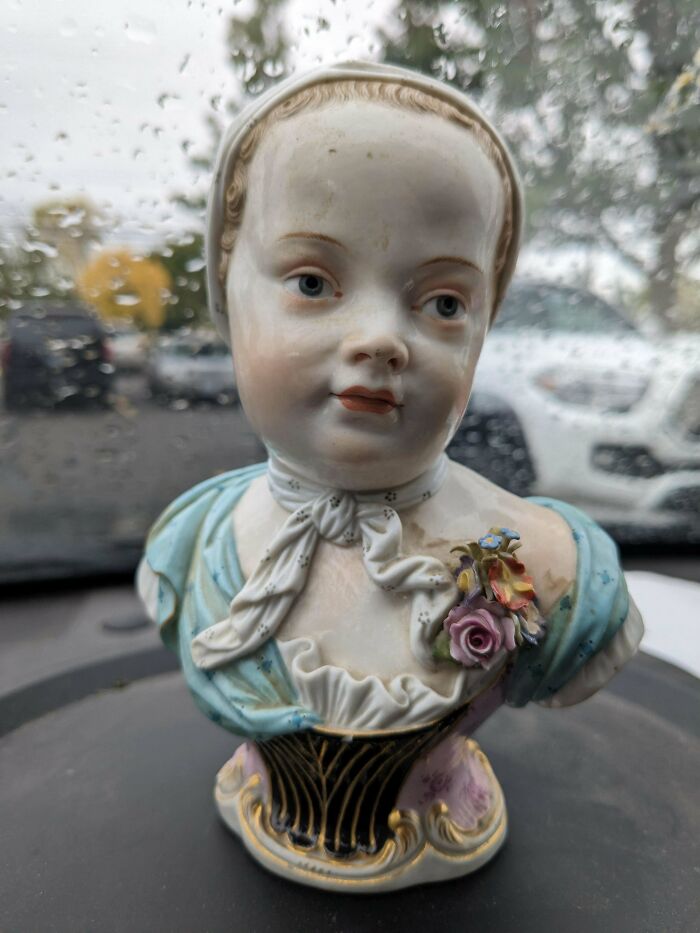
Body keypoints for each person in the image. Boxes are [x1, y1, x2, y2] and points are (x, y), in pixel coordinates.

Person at [137, 60, 643, 740]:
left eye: (443, 301)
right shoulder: (190, 545)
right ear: (230, 290)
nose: (379, 339)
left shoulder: (555, 569)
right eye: (313, 283)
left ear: (484, 325)